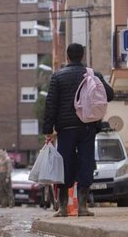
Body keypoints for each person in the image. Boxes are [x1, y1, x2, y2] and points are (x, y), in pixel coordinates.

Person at [43, 43, 114, 217]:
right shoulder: (93, 74)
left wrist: (48, 129)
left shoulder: (58, 76)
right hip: (87, 126)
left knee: (64, 164)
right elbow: (109, 95)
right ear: (82, 56)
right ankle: (83, 207)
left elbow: (50, 104)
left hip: (66, 127)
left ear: (67, 56)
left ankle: (62, 208)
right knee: (86, 162)